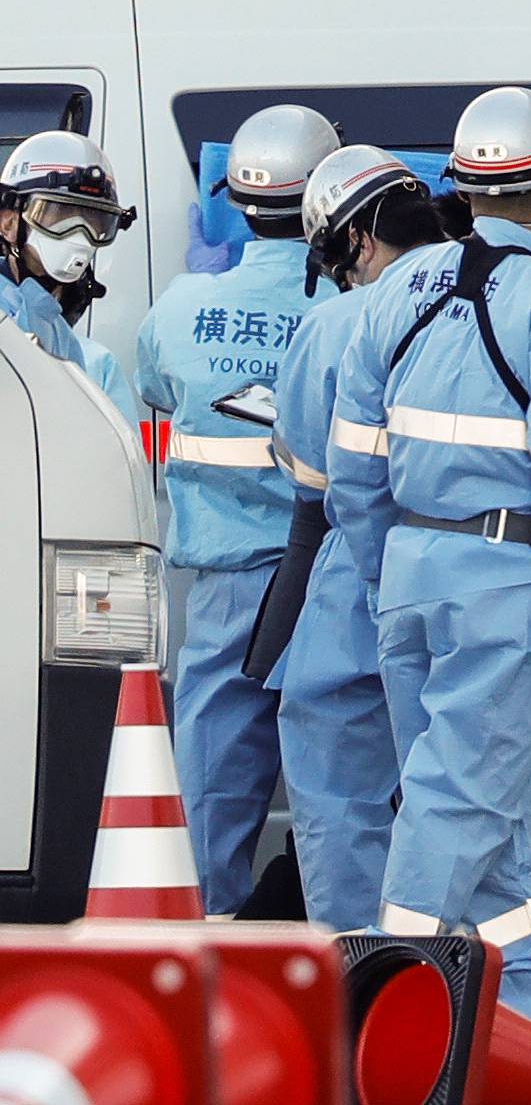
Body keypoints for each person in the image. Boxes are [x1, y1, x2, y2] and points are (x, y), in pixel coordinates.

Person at [327, 86, 531, 1032]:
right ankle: (376, 1005)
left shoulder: (393, 294)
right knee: (461, 805)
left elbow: (351, 470)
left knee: (490, 818)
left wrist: (390, 566)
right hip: (510, 587)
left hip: (413, 576)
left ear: (459, 187)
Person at [136, 103, 339, 915]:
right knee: (338, 784)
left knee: (212, 786)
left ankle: (205, 947)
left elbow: (156, 384)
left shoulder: (184, 306)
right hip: (327, 573)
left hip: (226, 586)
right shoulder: (347, 310)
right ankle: (344, 960)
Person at [271, 145, 445, 931]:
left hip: (365, 559)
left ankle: (360, 986)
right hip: (499, 564)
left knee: (335, 765)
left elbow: (314, 470)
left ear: (358, 243)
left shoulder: (340, 318)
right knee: (463, 789)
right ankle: (477, 990)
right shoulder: (513, 293)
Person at [0, 130, 137, 368]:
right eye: (60, 214)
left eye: (96, 221)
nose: (80, 236)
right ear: (9, 223)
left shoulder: (57, 330)